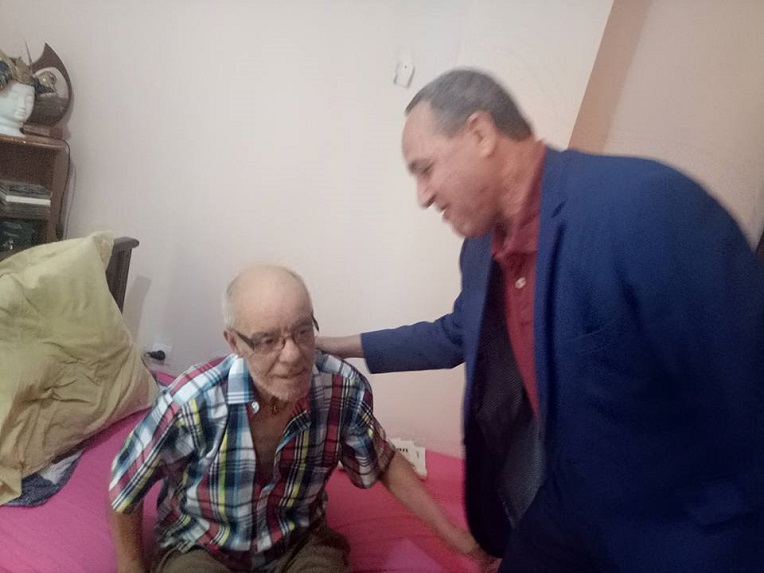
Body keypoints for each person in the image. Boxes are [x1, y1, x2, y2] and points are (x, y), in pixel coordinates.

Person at [317, 68, 764, 572]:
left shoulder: (648, 206)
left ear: (480, 133)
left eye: (425, 169)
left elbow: (746, 388)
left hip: (677, 530)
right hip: (566, 503)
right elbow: (457, 333)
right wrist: (336, 345)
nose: (422, 196)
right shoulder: (480, 250)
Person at [108, 264, 494, 573]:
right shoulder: (192, 401)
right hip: (202, 544)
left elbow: (383, 461)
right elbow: (125, 486)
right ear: (234, 343)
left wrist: (458, 539)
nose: (293, 355)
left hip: (297, 541)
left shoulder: (341, 389)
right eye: (268, 340)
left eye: (302, 331)